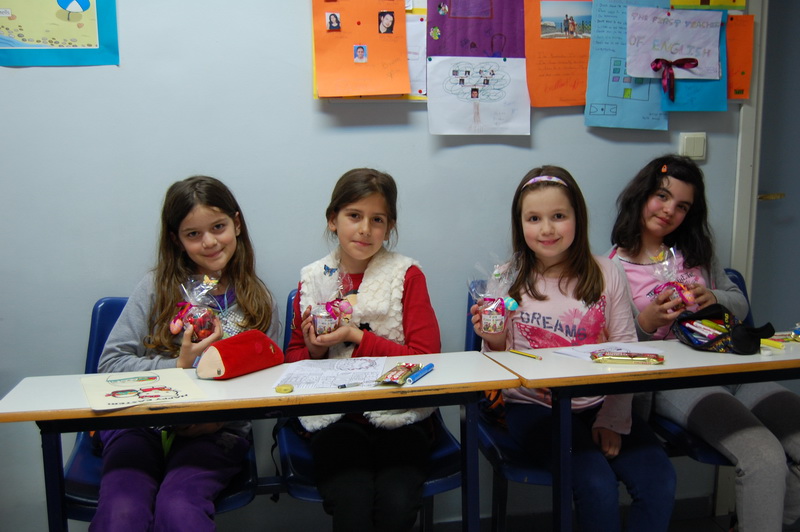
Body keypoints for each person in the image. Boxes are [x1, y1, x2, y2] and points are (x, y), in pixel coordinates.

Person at [472, 166, 676, 532]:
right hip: (534, 409)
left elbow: (627, 351)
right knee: (596, 485)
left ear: (577, 218)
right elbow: (496, 367)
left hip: (600, 403)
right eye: (534, 219)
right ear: (520, 224)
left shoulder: (607, 272)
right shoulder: (506, 277)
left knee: (658, 478)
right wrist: (495, 337)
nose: (547, 229)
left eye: (558, 216)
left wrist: (613, 419)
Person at [610, 154, 800, 532]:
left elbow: (738, 302)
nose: (670, 211)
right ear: (641, 196)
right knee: (764, 458)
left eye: (682, 206)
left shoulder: (695, 255)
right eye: (662, 196)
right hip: (678, 382)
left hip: (734, 366)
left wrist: (713, 296)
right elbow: (615, 345)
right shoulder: (611, 268)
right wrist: (647, 322)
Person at [92, 176, 280, 531]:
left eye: (218, 227)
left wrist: (217, 420)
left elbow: (264, 384)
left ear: (237, 224)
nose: (209, 242)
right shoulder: (155, 289)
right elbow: (110, 365)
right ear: (176, 239)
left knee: (179, 508)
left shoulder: (258, 303)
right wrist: (180, 365)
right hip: (139, 424)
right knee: (123, 511)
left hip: (217, 432)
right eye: (193, 234)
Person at [285, 168, 441, 532]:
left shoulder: (407, 276)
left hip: (401, 415)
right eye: (354, 216)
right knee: (352, 503)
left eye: (377, 220)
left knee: (396, 505)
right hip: (337, 419)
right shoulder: (314, 279)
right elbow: (291, 362)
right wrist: (314, 350)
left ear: (389, 226)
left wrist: (357, 337)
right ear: (333, 220)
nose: (365, 229)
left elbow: (425, 357)